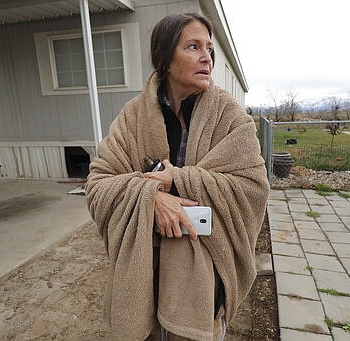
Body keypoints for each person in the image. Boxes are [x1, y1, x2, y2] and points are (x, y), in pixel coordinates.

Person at [85, 12, 269, 341]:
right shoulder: (132, 116)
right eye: (193, 47)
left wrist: (177, 180)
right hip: (145, 275)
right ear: (166, 59)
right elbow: (98, 184)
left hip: (202, 285)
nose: (206, 58)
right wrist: (151, 198)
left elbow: (252, 189)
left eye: (209, 49)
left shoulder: (232, 119)